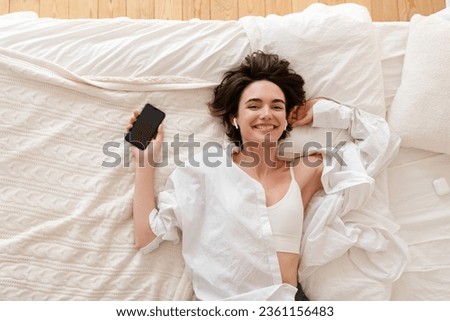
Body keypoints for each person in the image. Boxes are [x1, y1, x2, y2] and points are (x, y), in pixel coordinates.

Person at [126, 52, 327, 300]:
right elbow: (147, 236)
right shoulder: (204, 171)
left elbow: (376, 147)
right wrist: (145, 161)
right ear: (234, 118)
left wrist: (323, 109)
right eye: (254, 106)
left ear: (286, 119)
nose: (266, 113)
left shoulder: (306, 169)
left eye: (277, 106)